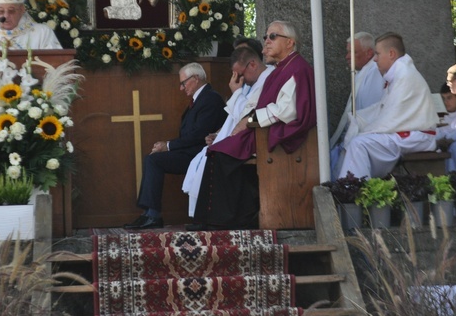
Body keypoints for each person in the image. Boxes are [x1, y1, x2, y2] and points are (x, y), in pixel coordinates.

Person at [193, 20, 317, 229]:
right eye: (265, 37)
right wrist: (248, 120)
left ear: (290, 43)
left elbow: (287, 110)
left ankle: (224, 220)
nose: (266, 42)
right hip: (264, 129)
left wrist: (250, 121)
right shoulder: (280, 69)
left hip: (282, 133)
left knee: (222, 155)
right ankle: (219, 218)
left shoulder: (297, 68)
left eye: (273, 37)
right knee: (216, 151)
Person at [124, 63, 227, 230]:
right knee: (153, 158)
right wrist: (166, 145)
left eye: (183, 83)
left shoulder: (210, 98)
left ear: (196, 78)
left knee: (154, 160)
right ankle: (149, 214)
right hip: (191, 152)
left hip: (201, 154)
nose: (181, 88)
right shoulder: (199, 99)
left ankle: (152, 215)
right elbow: (188, 135)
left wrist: (169, 145)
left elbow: (198, 134)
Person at [182, 46, 274, 220]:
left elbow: (246, 116)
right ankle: (206, 217)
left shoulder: (267, 79)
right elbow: (236, 118)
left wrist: (236, 92)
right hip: (244, 135)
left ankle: (221, 217)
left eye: (240, 74)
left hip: (257, 138)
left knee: (216, 156)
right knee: (209, 153)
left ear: (252, 65)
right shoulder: (254, 82)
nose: (240, 80)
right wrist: (219, 134)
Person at [337, 32, 437, 179]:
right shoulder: (398, 74)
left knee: (359, 144)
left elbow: (392, 117)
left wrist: (366, 130)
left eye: (377, 54)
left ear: (391, 54)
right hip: (408, 133)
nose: (375, 59)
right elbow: (383, 108)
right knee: (358, 140)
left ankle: (353, 191)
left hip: (418, 136)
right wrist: (358, 119)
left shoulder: (404, 75)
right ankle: (354, 187)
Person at [329, 32, 384, 177]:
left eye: (352, 52)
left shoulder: (375, 74)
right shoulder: (363, 73)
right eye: (347, 52)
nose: (347, 57)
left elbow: (371, 113)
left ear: (369, 53)